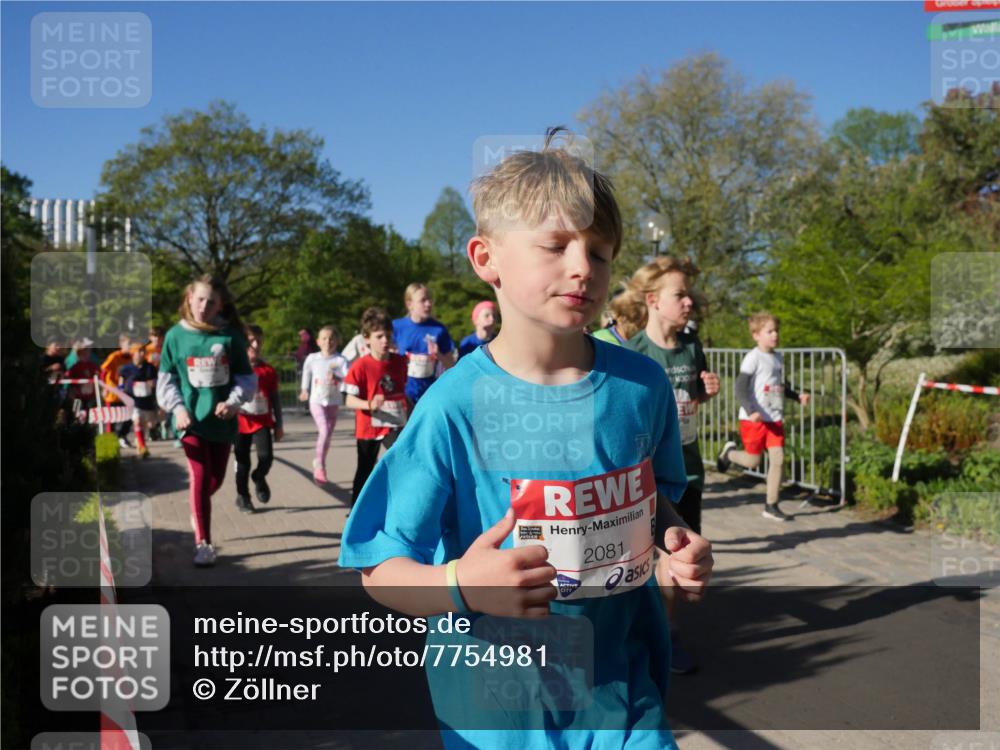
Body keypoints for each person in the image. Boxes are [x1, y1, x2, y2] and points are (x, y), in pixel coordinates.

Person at [339, 128, 713, 749]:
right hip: (499, 716)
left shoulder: (641, 385)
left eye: (599, 251)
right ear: (486, 259)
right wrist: (460, 584)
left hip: (623, 698)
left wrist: (674, 541)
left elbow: (652, 501)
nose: (581, 267)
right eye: (555, 245)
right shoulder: (453, 406)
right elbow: (379, 570)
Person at [622, 256, 721, 675]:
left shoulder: (692, 348)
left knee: (676, 556)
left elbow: (691, 401)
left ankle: (667, 632)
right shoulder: (632, 354)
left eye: (689, 296)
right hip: (645, 478)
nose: (688, 304)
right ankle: (647, 632)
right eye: (679, 295)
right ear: (653, 301)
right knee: (645, 559)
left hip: (689, 470)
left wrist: (707, 393)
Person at [156, 275, 256, 567]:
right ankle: (204, 543)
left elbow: (246, 378)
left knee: (214, 481)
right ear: (189, 299)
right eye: (199, 299)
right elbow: (167, 379)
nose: (204, 306)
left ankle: (197, 507)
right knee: (199, 478)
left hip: (221, 422)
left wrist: (234, 401)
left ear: (220, 305)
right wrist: (178, 409)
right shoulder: (176, 336)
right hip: (191, 422)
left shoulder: (230, 336)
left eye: (211, 302)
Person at [717, 312, 810, 521]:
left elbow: (779, 385)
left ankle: (771, 504)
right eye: (770, 331)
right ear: (756, 335)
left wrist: (797, 396)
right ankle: (729, 453)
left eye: (776, 330)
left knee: (778, 458)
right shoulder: (753, 357)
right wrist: (751, 410)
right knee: (752, 461)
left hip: (774, 418)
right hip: (754, 419)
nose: (775, 335)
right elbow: (740, 387)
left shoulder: (777, 357)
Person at [340, 307, 408, 506]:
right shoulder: (360, 366)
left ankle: (396, 504)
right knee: (365, 468)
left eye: (388, 335)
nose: (385, 340)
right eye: (379, 336)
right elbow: (349, 400)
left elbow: (402, 391)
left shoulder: (400, 362)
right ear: (366, 338)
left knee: (401, 457)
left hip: (394, 423)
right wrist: (369, 404)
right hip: (368, 426)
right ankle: (356, 511)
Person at [235, 325, 283, 513]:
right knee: (242, 462)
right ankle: (243, 497)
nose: (255, 345)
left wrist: (279, 424)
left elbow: (275, 399)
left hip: (262, 421)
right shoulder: (235, 370)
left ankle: (259, 477)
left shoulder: (268, 370)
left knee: (266, 457)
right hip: (239, 422)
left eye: (259, 341)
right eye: (251, 340)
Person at [298, 325, 349, 486]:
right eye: (325, 338)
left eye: (332, 338)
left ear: (337, 341)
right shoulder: (313, 358)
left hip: (333, 402)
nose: (328, 342)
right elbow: (306, 372)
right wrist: (304, 389)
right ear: (318, 341)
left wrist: (338, 379)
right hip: (316, 401)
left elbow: (348, 380)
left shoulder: (341, 360)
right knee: (324, 430)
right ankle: (319, 465)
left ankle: (320, 461)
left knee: (327, 435)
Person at [392, 284, 455, 405]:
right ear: (410, 304)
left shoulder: (439, 329)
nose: (428, 304)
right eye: (423, 300)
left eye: (429, 300)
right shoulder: (396, 327)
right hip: (403, 395)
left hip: (430, 395)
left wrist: (439, 355)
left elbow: (451, 366)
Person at [118, 345, 159, 458]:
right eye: (139, 351)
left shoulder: (150, 367)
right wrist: (122, 392)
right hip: (133, 400)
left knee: (148, 425)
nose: (142, 353)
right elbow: (121, 382)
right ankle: (142, 447)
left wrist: (152, 384)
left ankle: (140, 441)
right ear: (133, 353)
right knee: (137, 420)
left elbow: (155, 381)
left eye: (143, 351)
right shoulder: (126, 368)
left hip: (147, 400)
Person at [101, 334, 136, 447]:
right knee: (111, 419)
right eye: (128, 344)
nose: (131, 347)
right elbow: (103, 371)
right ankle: (110, 442)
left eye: (132, 344)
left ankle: (122, 436)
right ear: (121, 344)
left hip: (126, 394)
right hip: (113, 393)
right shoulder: (114, 357)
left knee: (130, 416)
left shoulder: (133, 358)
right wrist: (104, 387)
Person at [65, 338, 100, 412]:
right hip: (78, 398)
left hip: (90, 397)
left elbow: (99, 374)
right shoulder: (73, 364)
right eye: (87, 349)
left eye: (89, 349)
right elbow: (69, 381)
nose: (89, 351)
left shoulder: (92, 365)